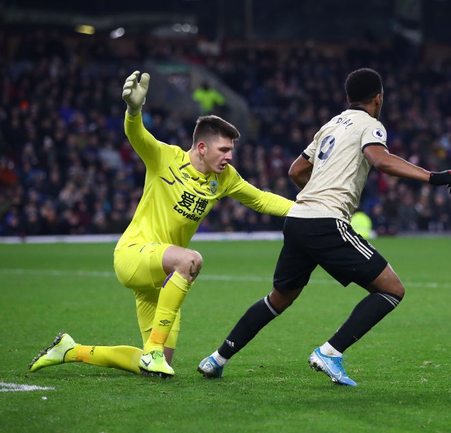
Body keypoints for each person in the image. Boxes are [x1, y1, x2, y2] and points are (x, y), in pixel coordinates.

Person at [196, 68, 451, 386]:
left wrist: (319, 188)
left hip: (298, 219)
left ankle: (217, 359)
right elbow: (380, 160)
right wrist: (435, 176)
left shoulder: (330, 125)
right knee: (392, 290)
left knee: (278, 299)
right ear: (378, 98)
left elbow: (296, 170)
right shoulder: (371, 126)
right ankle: (330, 352)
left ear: (347, 98)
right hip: (326, 222)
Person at [28, 71, 294, 378]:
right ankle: (154, 349)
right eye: (224, 150)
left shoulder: (224, 179)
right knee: (191, 259)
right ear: (203, 148)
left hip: (162, 275)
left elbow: (261, 199)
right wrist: (133, 110)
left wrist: (307, 209)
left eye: (231, 150)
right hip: (134, 255)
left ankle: (70, 350)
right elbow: (137, 135)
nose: (230, 157)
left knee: (157, 368)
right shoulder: (165, 157)